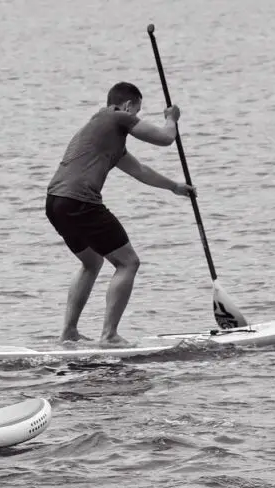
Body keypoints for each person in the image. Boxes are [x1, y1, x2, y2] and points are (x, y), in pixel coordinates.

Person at [44, 81, 196, 347]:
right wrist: (172, 119)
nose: (135, 118)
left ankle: (68, 332)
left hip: (55, 201)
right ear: (127, 106)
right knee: (128, 263)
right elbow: (165, 138)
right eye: (136, 112)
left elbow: (139, 170)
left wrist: (174, 187)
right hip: (81, 200)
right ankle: (109, 336)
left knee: (92, 263)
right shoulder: (118, 117)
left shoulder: (102, 131)